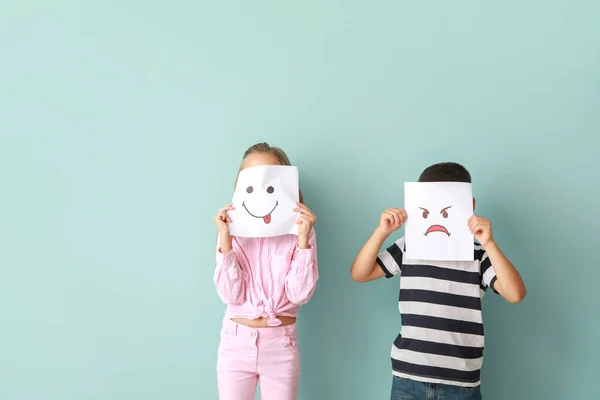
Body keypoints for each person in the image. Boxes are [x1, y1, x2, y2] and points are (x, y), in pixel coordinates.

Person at [350, 162, 526, 400]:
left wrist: (489, 244)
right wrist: (382, 231)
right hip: (408, 377)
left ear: (469, 205)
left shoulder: (478, 255)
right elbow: (360, 273)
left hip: (461, 383)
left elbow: (515, 294)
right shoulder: (408, 247)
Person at [213, 142, 318, 400]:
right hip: (235, 342)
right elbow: (230, 295)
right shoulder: (231, 228)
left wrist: (303, 239)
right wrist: (225, 240)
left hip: (281, 344)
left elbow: (298, 295)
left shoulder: (301, 228)